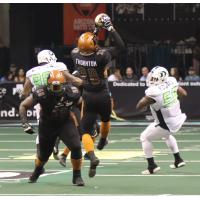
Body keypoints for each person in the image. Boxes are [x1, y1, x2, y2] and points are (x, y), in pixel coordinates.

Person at [71, 13, 125, 178]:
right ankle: (102, 140)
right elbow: (121, 47)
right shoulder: (102, 56)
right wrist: (109, 28)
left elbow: (88, 45)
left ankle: (92, 156)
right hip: (102, 94)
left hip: (87, 95)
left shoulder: (75, 54)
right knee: (106, 120)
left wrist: (95, 30)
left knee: (85, 130)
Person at [19, 70, 84, 186]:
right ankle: (38, 170)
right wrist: (25, 123)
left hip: (65, 122)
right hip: (47, 125)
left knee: (76, 146)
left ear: (64, 85)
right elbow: (23, 105)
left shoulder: (72, 92)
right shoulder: (41, 92)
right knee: (44, 155)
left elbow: (81, 103)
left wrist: (84, 120)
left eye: (58, 86)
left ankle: (77, 175)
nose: (55, 89)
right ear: (48, 85)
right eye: (53, 86)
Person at [21, 49, 83, 159]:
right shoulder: (58, 66)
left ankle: (39, 158)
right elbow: (74, 81)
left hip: (41, 102)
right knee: (65, 122)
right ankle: (56, 144)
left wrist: (33, 95)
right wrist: (83, 81)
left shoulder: (31, 72)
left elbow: (24, 93)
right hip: (59, 98)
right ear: (50, 57)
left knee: (43, 129)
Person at [136, 66, 187, 175]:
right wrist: (174, 101)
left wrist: (148, 103)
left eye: (155, 78)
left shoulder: (154, 91)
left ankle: (152, 166)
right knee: (167, 135)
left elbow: (139, 106)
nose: (152, 80)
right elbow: (183, 93)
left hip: (165, 123)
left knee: (144, 137)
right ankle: (178, 160)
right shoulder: (171, 80)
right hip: (177, 118)